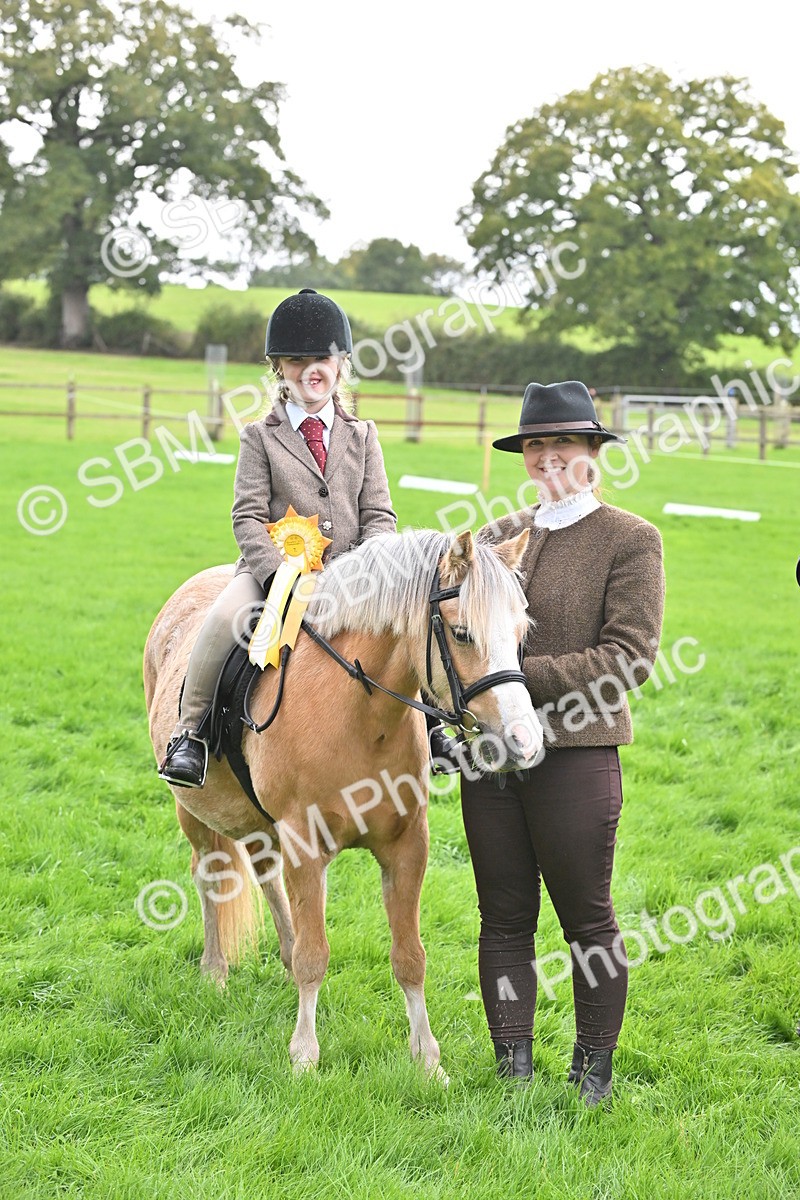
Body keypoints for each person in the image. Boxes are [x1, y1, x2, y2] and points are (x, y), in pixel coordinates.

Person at [459, 380, 665, 1105]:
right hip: (489, 760)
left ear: (592, 455)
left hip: (577, 754)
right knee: (504, 915)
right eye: (537, 446)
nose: (549, 458)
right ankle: (512, 1065)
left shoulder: (631, 539)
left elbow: (629, 657)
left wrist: (517, 678)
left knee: (587, 917)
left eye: (564, 447)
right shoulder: (493, 537)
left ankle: (593, 1071)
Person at [158, 288, 398, 787]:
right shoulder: (259, 437)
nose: (310, 370)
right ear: (278, 370)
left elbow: (379, 515)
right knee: (221, 620)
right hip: (273, 575)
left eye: (321, 359)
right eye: (295, 360)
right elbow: (246, 516)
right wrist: (276, 576)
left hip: (353, 576)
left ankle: (434, 727)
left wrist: (368, 570)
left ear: (341, 364)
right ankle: (191, 734)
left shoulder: (364, 435)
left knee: (410, 630)